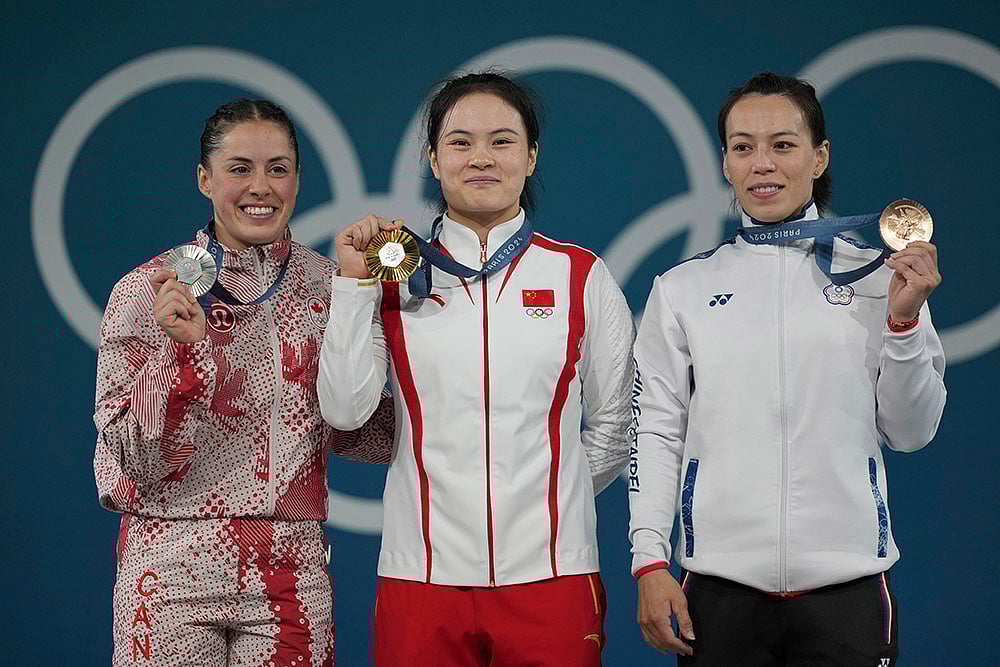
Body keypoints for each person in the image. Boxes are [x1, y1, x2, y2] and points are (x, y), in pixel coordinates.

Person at [628, 72, 946, 666]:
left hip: (848, 588)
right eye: (743, 146)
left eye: (783, 144)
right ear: (724, 163)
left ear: (819, 157)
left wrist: (903, 324)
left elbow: (912, 431)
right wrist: (649, 559)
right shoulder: (683, 289)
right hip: (720, 589)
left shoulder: (881, 275)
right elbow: (654, 432)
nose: (762, 164)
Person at [316, 72, 633, 666]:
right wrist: (354, 284)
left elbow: (617, 429)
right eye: (460, 142)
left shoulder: (581, 276)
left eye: (502, 141)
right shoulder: (393, 271)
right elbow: (343, 409)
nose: (481, 158)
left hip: (554, 576)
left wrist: (545, 501)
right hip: (421, 576)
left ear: (531, 157)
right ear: (433, 160)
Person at [93, 98, 394, 667]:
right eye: (240, 169)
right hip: (168, 571)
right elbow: (129, 464)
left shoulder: (333, 287)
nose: (261, 186)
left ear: (298, 181)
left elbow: (358, 433)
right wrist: (179, 358)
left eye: (278, 168)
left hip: (291, 573)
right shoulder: (144, 292)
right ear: (204, 179)